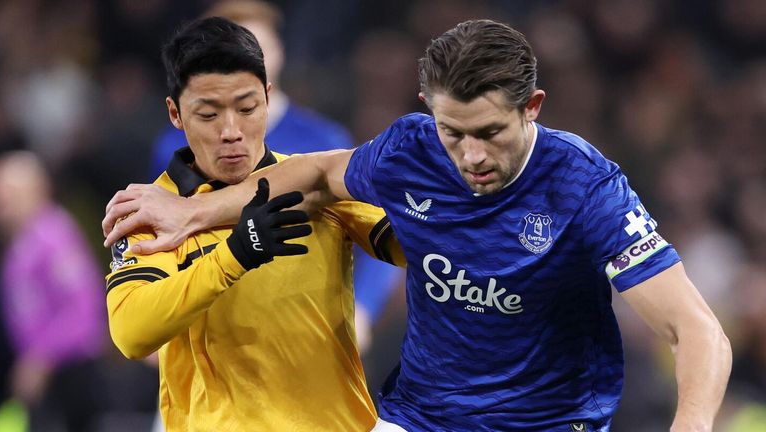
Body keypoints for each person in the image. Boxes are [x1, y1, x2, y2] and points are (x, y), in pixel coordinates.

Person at [103, 19, 732, 431]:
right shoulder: (409, 150)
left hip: (544, 419)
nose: (471, 156)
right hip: (420, 417)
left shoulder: (585, 187)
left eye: (490, 132)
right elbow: (318, 173)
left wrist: (692, 424)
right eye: (453, 133)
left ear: (533, 107)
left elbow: (698, 332)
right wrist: (197, 215)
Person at [105, 17, 403, 431]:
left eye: (247, 109)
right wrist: (234, 256)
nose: (231, 131)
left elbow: (417, 247)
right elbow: (131, 333)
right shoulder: (152, 209)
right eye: (208, 114)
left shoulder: (316, 187)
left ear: (268, 97)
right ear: (175, 113)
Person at [149, 0, 402, 354]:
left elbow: (377, 226)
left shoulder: (325, 142)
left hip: (302, 335)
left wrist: (362, 309)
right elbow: (158, 239)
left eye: (258, 48)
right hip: (208, 339)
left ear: (279, 52)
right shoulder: (173, 147)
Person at [0, 151, 105, 432]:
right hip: (42, 374)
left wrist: (42, 357)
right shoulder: (21, 241)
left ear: (38, 189)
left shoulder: (54, 235)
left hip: (69, 371)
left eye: (10, 192)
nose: (3, 201)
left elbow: (84, 308)